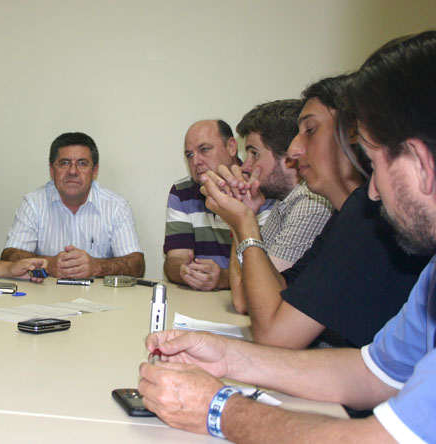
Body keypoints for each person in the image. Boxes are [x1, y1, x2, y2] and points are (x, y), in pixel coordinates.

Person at [138, 30, 436, 443]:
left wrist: (217, 409)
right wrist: (227, 357)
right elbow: (370, 372)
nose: (371, 189)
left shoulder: (362, 217)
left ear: (421, 162)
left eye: (374, 159)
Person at [202, 75, 429, 349]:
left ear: (353, 135)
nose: (294, 150)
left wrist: (245, 223)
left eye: (310, 130)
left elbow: (276, 335)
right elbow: (273, 296)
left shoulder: (368, 217)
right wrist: (243, 220)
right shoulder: (343, 215)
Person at [225, 100, 333, 313]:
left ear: (289, 158)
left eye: (254, 153)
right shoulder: (283, 202)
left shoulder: (310, 204)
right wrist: (242, 215)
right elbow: (242, 296)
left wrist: (242, 218)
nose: (245, 166)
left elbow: (250, 303)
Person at [0, 132, 144, 278]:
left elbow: (137, 266)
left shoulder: (116, 207)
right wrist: (49, 264)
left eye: (82, 163)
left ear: (94, 171)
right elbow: (9, 257)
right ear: (51, 170)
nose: (73, 171)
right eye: (64, 163)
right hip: (46, 295)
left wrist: (97, 267)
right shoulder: (33, 203)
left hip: (99, 297)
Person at [163, 120, 274, 291]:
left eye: (204, 149)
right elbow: (174, 260)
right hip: (200, 303)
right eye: (189, 155)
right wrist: (184, 271)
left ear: (231, 147)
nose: (196, 161)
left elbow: (272, 272)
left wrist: (223, 278)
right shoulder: (181, 192)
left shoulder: (258, 189)